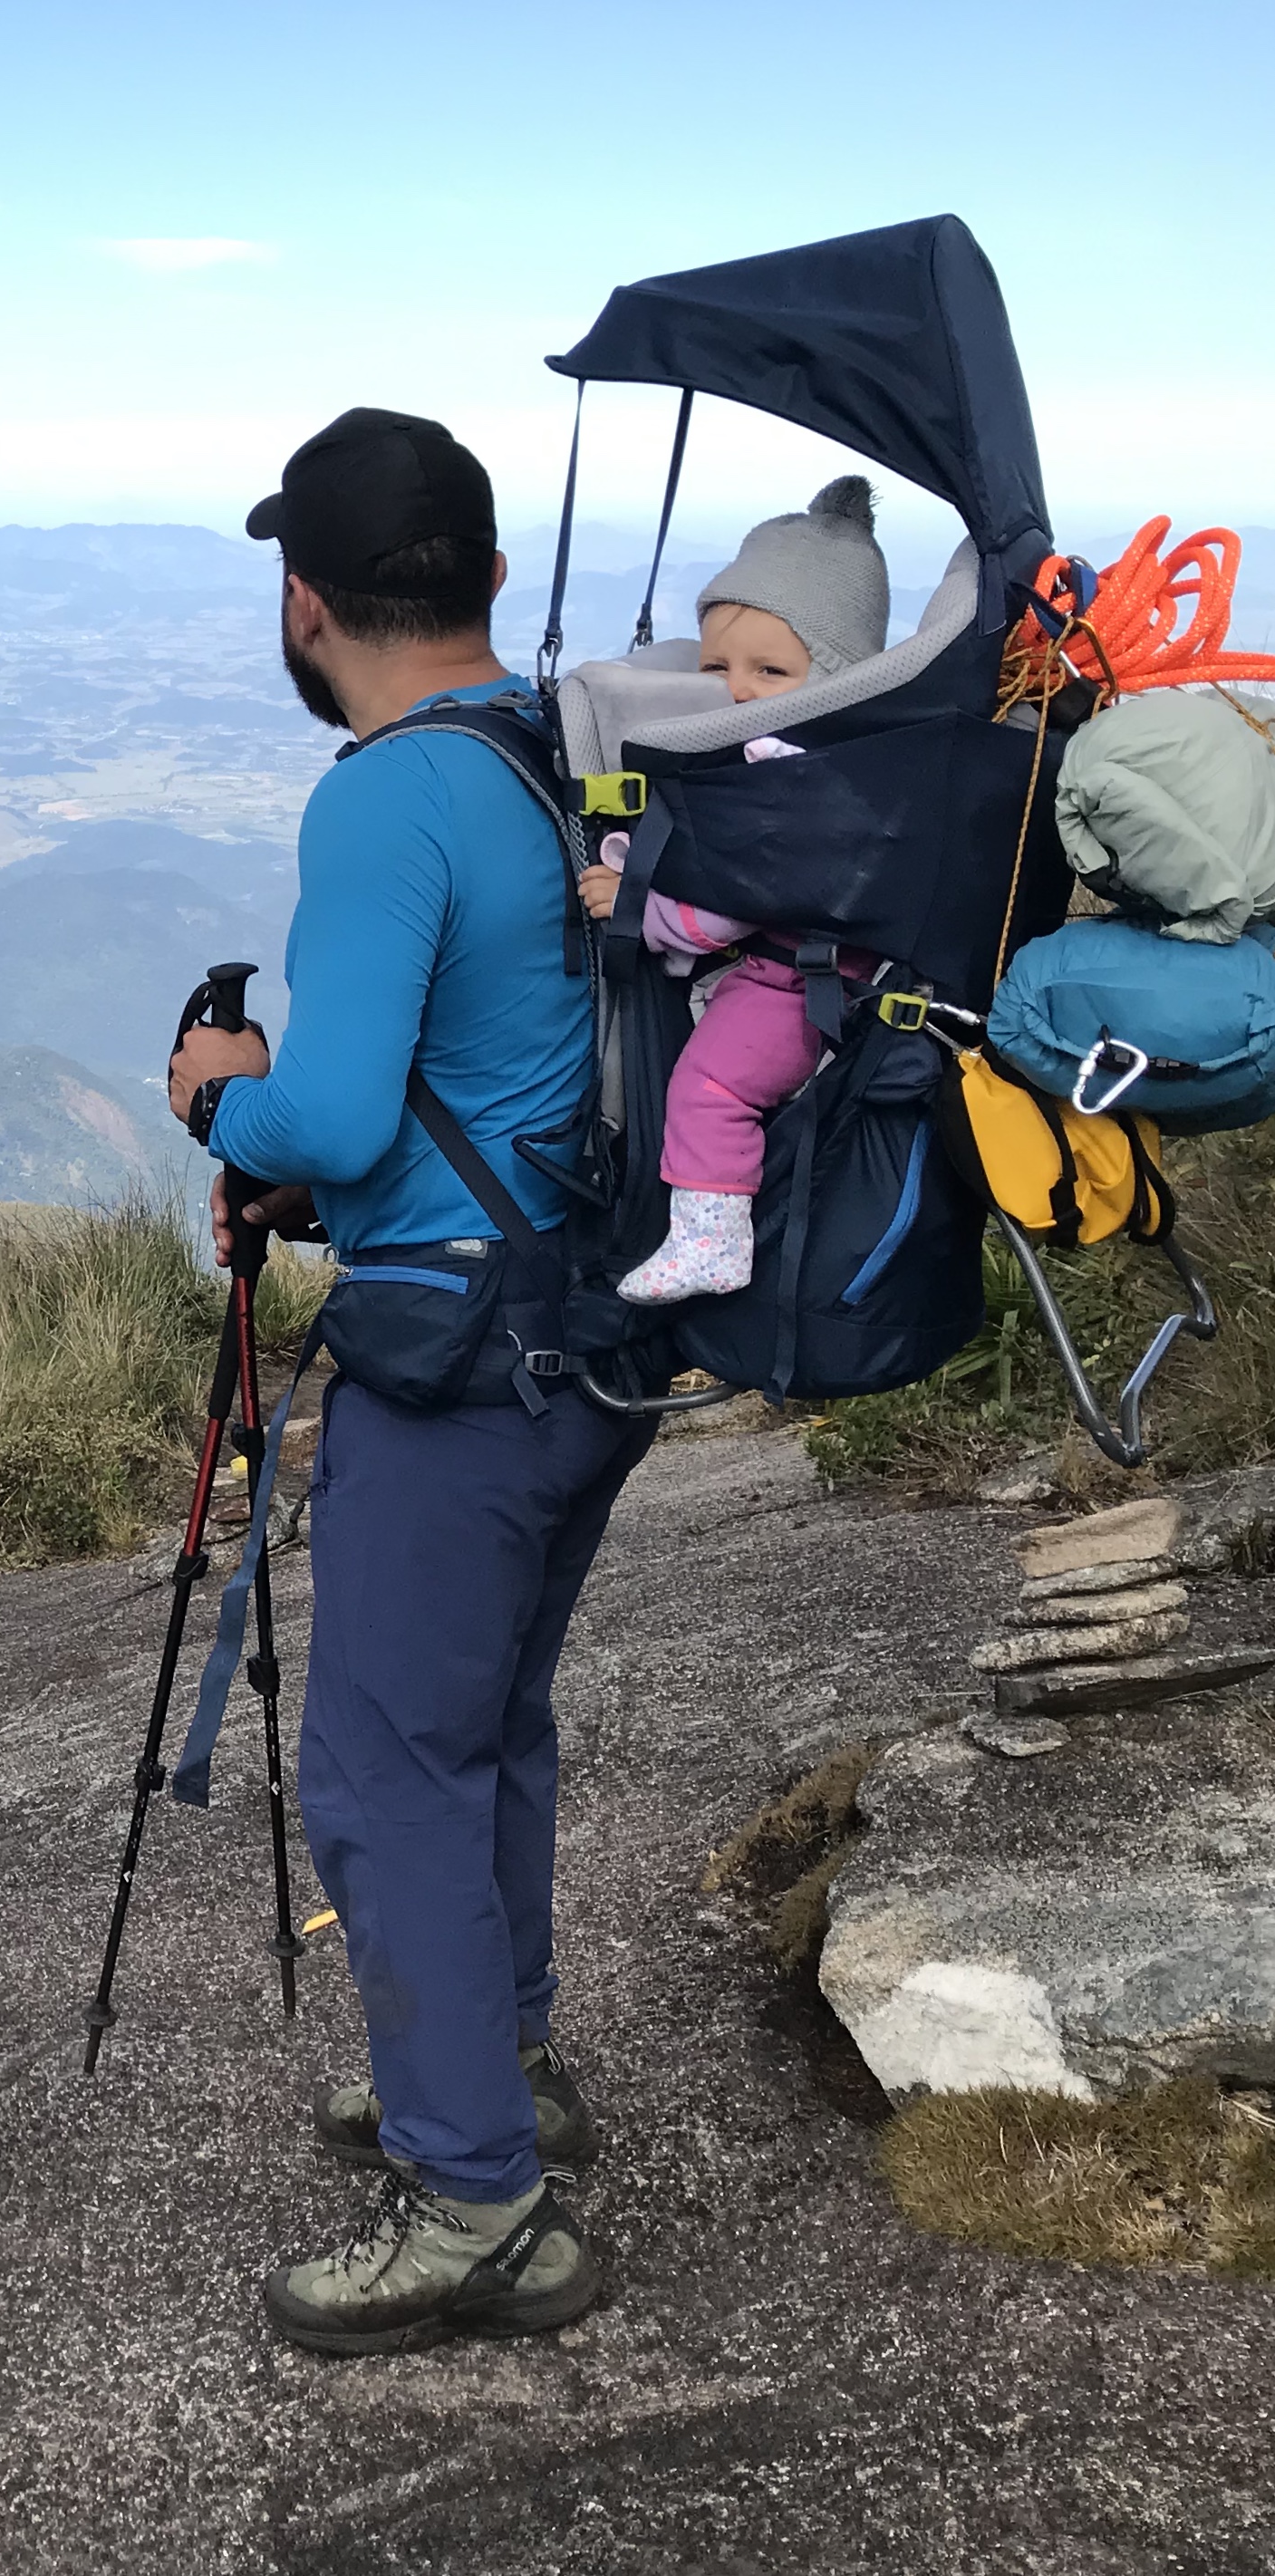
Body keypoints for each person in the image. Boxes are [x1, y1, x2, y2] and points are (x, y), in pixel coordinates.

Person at [162, 407, 656, 2356]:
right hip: (592, 1337)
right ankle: (494, 2065)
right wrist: (321, 1153)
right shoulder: (555, 746)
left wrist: (228, 1097)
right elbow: (503, 1060)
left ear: (306, 602)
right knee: (488, 1730)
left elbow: (345, 1103)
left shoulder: (380, 798)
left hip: (456, 1365)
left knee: (379, 1774)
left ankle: (480, 2204)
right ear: (487, 581)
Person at [584, 477, 893, 1302]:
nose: (735, 689)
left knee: (709, 1086)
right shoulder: (822, 762)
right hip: (813, 972)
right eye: (716, 665)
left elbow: (724, 906)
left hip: (799, 981)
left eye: (769, 668)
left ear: (839, 679)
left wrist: (637, 908)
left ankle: (709, 1240)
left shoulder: (790, 781)